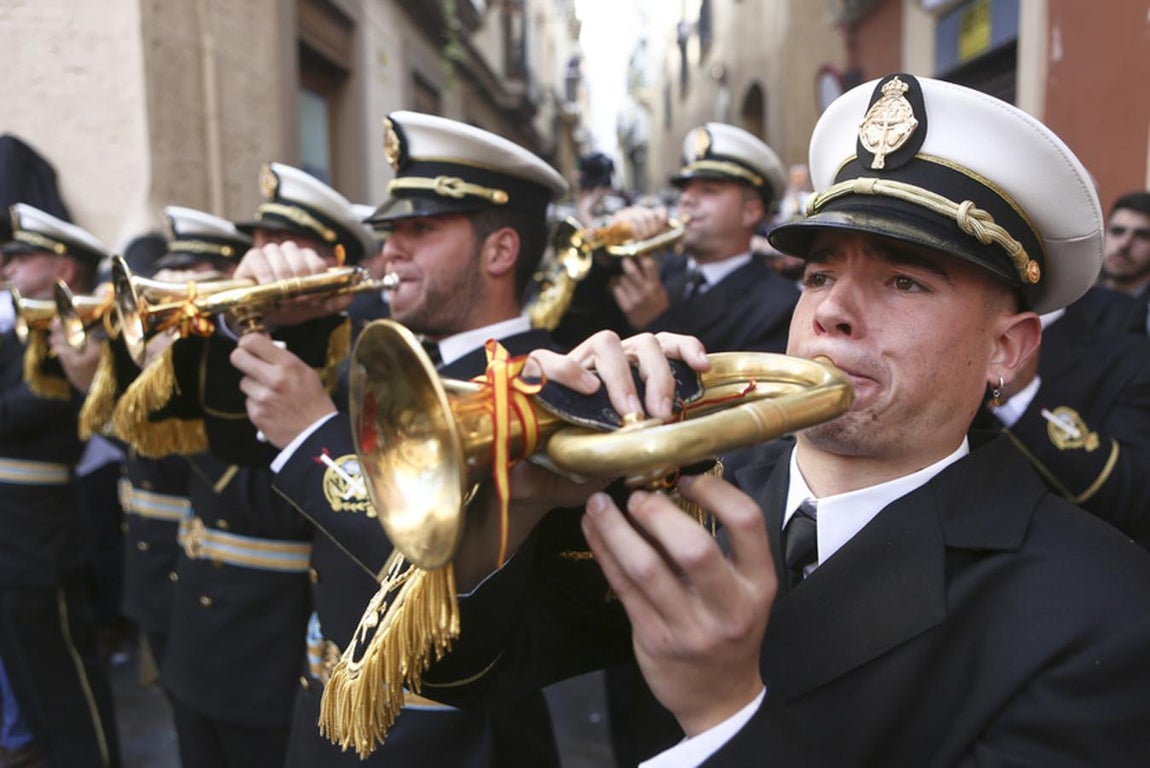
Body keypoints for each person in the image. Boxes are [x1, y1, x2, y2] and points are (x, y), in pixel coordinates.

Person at [415, 73, 1150, 765]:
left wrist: (728, 717)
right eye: (820, 273)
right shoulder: (684, 486)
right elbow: (453, 672)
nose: (831, 310)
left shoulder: (1104, 609)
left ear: (1007, 352)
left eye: (902, 280)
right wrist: (508, 512)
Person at [228, 110, 568, 766]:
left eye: (420, 229)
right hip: (330, 716)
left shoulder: (549, 383)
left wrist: (315, 441)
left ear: (500, 251)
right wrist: (281, 324)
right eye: (390, 232)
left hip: (450, 740)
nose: (390, 252)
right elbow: (226, 449)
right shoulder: (381, 359)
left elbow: (438, 571)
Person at [0, 204, 122, 767]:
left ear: (63, 268)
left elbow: (46, 407)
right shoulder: (23, 328)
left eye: (22, 258)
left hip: (39, 532)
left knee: (66, 687)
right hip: (16, 530)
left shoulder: (78, 332)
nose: (8, 268)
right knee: (30, 683)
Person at [603, 122, 799, 354]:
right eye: (685, 189)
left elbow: (732, 387)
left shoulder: (780, 306)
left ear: (751, 212)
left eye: (709, 190)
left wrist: (656, 320)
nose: (686, 200)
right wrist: (611, 247)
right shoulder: (658, 270)